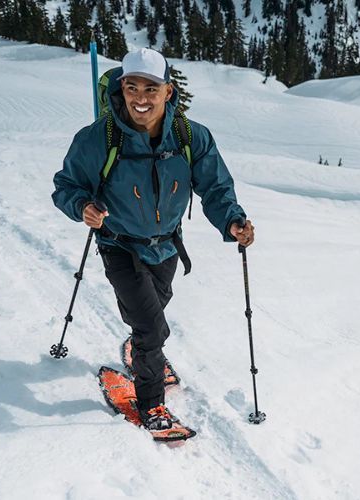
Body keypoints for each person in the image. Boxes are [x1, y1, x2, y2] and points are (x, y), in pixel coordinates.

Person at [51, 48, 255, 437]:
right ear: (121, 88)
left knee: (153, 312)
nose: (140, 98)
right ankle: (151, 403)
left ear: (168, 90)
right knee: (151, 326)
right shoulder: (98, 138)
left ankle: (141, 350)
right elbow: (66, 186)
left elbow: (215, 188)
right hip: (119, 243)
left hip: (167, 245)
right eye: (131, 87)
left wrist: (232, 220)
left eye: (150, 88)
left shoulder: (190, 136)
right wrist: (83, 207)